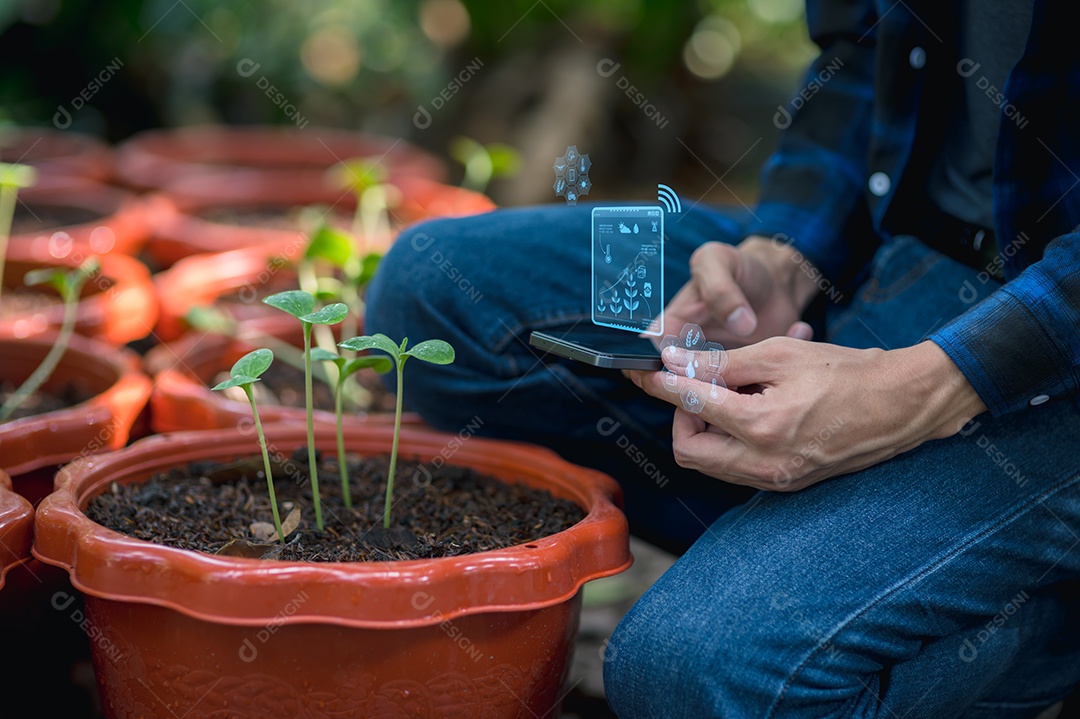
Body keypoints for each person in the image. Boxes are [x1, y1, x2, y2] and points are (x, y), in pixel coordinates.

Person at [366, 0, 1080, 715]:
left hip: (1057, 338)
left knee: (691, 677)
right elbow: (859, 57)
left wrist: (923, 388)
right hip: (897, 252)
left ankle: (1034, 609)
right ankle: (822, 555)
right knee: (427, 293)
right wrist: (788, 256)